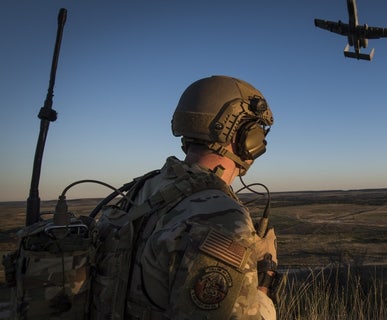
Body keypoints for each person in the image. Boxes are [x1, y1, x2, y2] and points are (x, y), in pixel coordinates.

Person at [90, 75, 279, 320]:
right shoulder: (221, 216)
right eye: (257, 131)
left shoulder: (146, 187)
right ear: (244, 137)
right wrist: (264, 283)